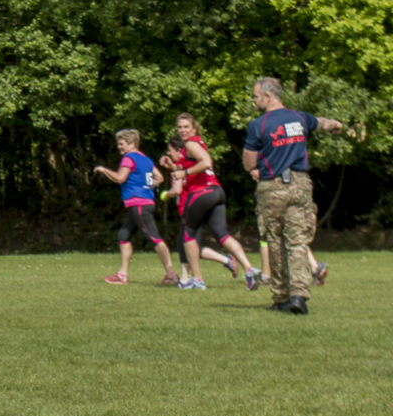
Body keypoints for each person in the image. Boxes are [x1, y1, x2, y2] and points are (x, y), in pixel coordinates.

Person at [242, 77, 343, 314]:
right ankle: (299, 296)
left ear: (268, 97)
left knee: (275, 241)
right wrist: (336, 125)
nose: (254, 100)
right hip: (300, 184)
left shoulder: (258, 125)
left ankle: (281, 298)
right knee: (297, 241)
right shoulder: (299, 117)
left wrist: (254, 168)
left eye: (255, 96)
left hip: (272, 187)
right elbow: (322, 123)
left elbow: (249, 161)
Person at [167, 112, 263, 289]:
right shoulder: (197, 143)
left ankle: (197, 280)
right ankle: (249, 269)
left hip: (201, 193)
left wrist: (184, 173)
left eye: (186, 127)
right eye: (180, 127)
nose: (182, 130)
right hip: (217, 191)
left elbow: (206, 162)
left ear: (194, 128)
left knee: (188, 235)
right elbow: (194, 165)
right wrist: (176, 168)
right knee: (222, 234)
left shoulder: (190, 143)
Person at [93, 129, 178, 285]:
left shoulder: (128, 158)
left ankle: (171, 274)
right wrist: (146, 186)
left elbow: (120, 178)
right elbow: (159, 177)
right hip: (145, 203)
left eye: (122, 144)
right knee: (123, 235)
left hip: (139, 204)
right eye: (119, 144)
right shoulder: (146, 159)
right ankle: (122, 274)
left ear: (132, 144)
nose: (119, 147)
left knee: (154, 237)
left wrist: (104, 170)